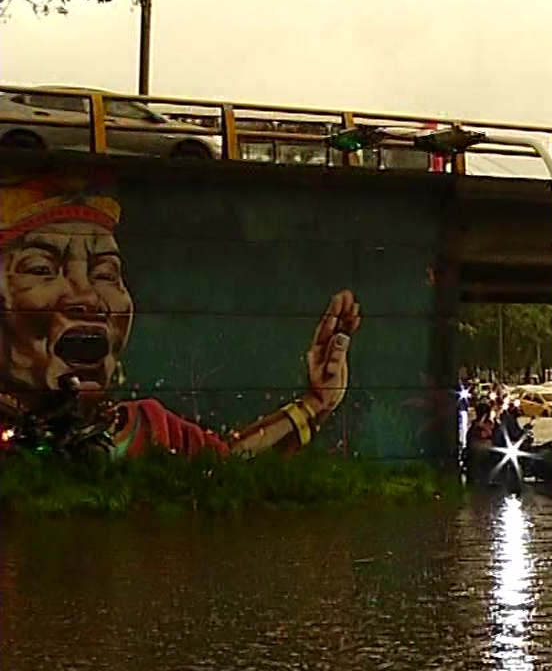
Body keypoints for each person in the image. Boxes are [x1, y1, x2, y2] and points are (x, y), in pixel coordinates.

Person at [1, 172, 362, 458]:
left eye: (106, 274)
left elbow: (225, 467)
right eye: (41, 268)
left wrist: (317, 402)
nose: (88, 298)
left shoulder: (149, 430)